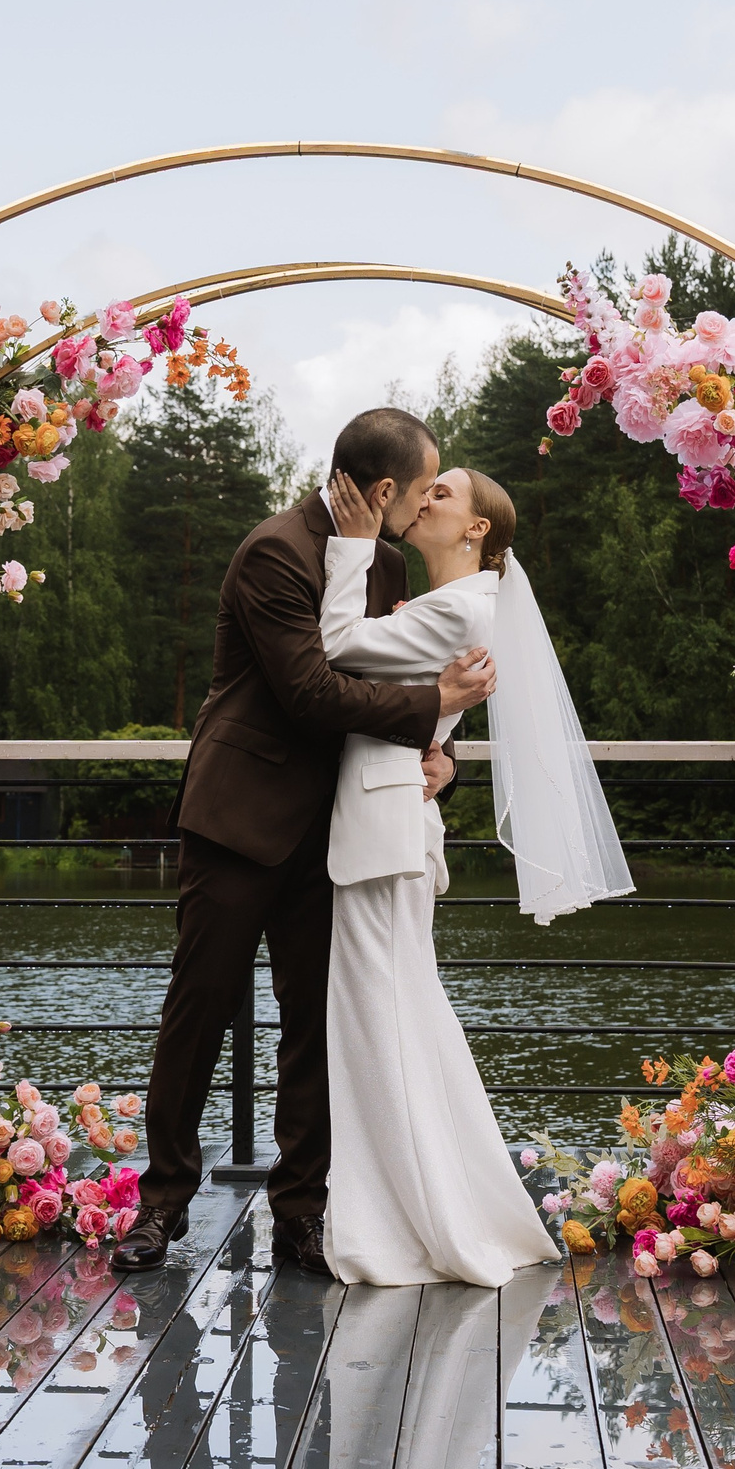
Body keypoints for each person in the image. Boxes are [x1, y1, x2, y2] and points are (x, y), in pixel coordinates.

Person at [114, 408, 495, 1277]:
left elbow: (409, 680)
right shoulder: (274, 552)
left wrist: (447, 759)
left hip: (337, 833)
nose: (420, 506)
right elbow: (310, 694)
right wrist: (427, 705)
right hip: (239, 819)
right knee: (198, 1009)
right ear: (388, 489)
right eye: (421, 487)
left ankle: (303, 1214)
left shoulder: (392, 563)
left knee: (315, 1024)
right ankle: (160, 1205)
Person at [316, 465, 633, 1285]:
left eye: (442, 495)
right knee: (398, 1015)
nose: (425, 500)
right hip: (392, 821)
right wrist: (445, 757)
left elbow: (336, 650)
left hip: (383, 828)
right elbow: (415, 691)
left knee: (380, 1020)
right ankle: (429, 1203)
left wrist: (352, 547)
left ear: (477, 529)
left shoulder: (463, 604)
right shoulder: (454, 605)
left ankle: (415, 1220)